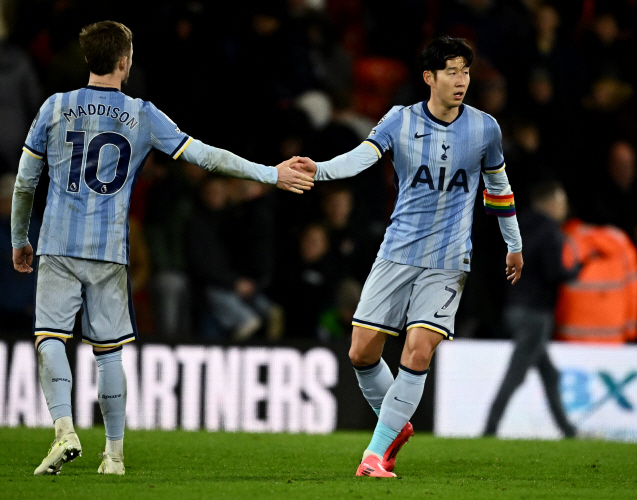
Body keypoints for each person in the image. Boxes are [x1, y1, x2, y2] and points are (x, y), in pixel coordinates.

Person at [10, 20, 313, 477]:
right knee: (108, 352)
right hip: (109, 249)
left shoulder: (55, 107)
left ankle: (64, 429)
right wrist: (270, 173)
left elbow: (25, 183)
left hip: (56, 243)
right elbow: (206, 156)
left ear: (87, 60)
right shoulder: (143, 114)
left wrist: (19, 240)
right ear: (124, 62)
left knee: (51, 338)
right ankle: (113, 455)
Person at [291, 36, 523, 477]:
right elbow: (362, 158)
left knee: (417, 352)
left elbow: (498, 188)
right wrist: (318, 170)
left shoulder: (485, 128)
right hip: (396, 253)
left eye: (466, 72)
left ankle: (374, 455)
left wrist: (513, 243)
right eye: (452, 72)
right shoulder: (399, 120)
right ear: (429, 78)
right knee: (361, 353)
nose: (461, 81)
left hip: (448, 261)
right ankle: (395, 427)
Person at [483, 180, 578, 438]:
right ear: (551, 203)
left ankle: (569, 431)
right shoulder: (551, 231)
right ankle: (489, 428)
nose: (564, 208)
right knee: (516, 375)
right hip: (536, 312)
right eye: (562, 203)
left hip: (514, 307)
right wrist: (572, 273)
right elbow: (551, 272)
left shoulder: (518, 225)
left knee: (549, 373)